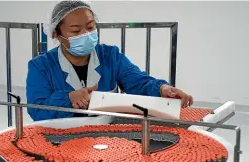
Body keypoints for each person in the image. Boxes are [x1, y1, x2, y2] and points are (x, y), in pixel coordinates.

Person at [26, 0, 193, 121]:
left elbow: (138, 83)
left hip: (107, 136)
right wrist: (69, 99)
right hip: (60, 138)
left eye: (90, 27)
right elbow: (37, 110)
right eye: (76, 30)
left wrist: (163, 89)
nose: (86, 34)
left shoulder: (110, 56)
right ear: (56, 34)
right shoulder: (41, 66)